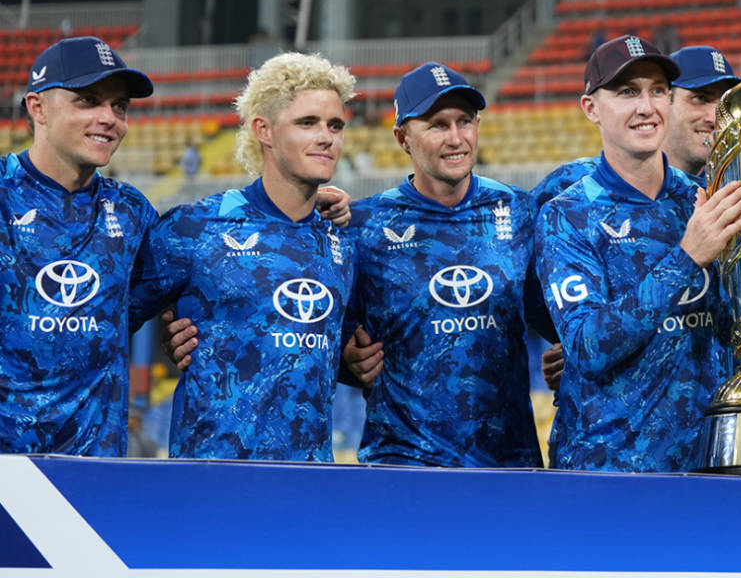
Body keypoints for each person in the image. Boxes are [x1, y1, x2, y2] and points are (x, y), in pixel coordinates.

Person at [534, 34, 741, 472]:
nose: (646, 107)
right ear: (591, 108)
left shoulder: (703, 201)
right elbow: (588, 347)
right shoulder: (568, 214)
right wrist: (687, 256)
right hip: (608, 469)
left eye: (657, 91)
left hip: (709, 464)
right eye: (627, 92)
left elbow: (740, 334)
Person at [130, 53, 356, 461]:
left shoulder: (342, 242)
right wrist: (167, 338)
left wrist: (359, 363)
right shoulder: (195, 228)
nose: (327, 137)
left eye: (335, 125)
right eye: (307, 123)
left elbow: (349, 350)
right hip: (211, 483)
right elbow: (108, 319)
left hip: (313, 482)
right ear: (263, 130)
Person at [339, 62, 540, 467]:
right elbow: (321, 334)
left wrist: (564, 353)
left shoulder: (520, 211)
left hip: (507, 465)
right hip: (402, 465)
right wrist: (346, 361)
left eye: (465, 121)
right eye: (436, 124)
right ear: (402, 138)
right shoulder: (363, 226)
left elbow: (561, 315)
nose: (456, 138)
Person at [0, 36, 157, 457]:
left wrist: (308, 205)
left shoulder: (132, 212)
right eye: (88, 101)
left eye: (119, 106)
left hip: (96, 478)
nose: (109, 118)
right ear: (38, 108)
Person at [529, 42, 741, 206]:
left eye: (726, 103)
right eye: (700, 98)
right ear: (667, 101)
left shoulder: (722, 197)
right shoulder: (569, 182)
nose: (716, 118)